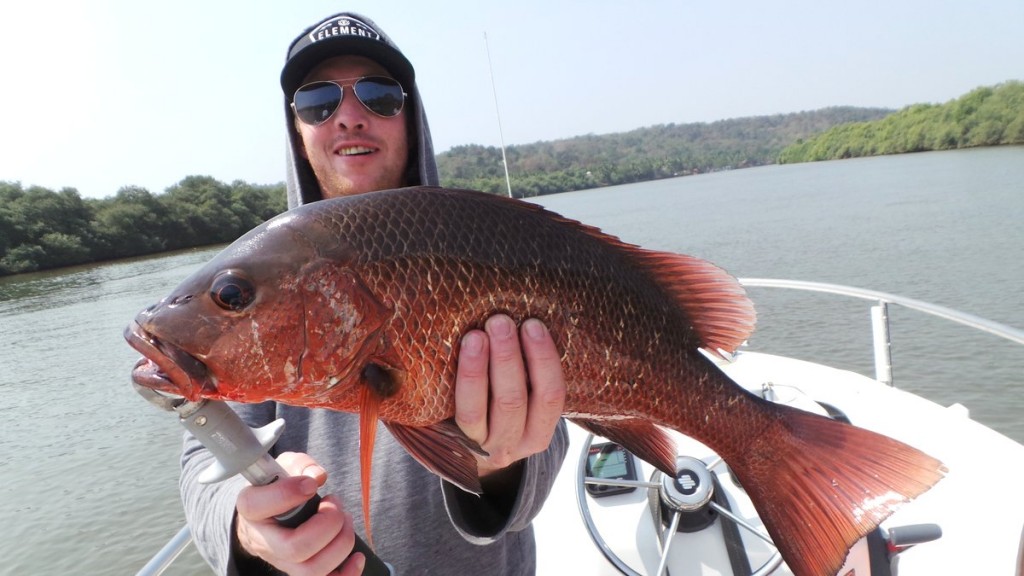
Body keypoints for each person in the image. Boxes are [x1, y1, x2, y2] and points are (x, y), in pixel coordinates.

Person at [180, 12, 569, 576]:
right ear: (297, 129)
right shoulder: (257, 286)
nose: (350, 117)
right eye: (318, 102)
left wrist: (500, 468)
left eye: (380, 95)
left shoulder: (489, 244)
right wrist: (246, 532)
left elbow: (548, 434)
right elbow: (204, 458)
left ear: (411, 117)